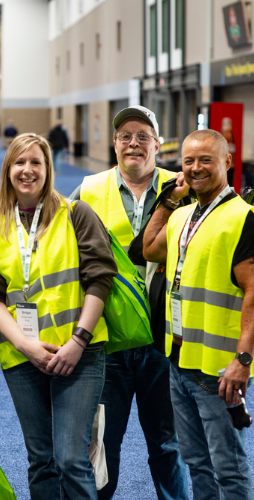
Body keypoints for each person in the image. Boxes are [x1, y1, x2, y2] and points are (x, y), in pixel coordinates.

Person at [0, 133, 117, 499]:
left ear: (48, 169)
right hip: (23, 356)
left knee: (72, 457)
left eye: (35, 163)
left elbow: (100, 280)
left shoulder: (76, 214)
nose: (27, 170)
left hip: (80, 353)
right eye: (19, 162)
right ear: (8, 169)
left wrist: (78, 341)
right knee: (41, 458)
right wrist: (27, 347)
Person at [70, 105, 189, 500]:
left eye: (142, 136)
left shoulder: (185, 186)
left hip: (166, 338)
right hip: (109, 338)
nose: (133, 143)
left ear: (158, 143)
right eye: (125, 136)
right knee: (104, 440)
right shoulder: (88, 189)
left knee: (169, 444)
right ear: (115, 143)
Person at [143, 129, 254, 500]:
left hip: (219, 370)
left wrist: (243, 360)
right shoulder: (184, 215)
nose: (195, 168)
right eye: (188, 161)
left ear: (227, 161)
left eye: (205, 159)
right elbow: (147, 248)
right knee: (196, 461)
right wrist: (168, 200)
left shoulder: (244, 217)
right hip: (179, 359)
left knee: (229, 467)